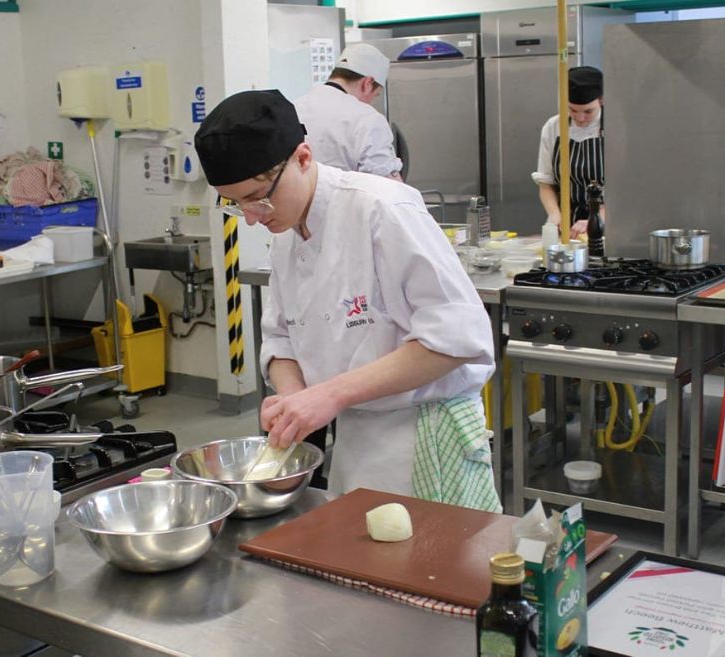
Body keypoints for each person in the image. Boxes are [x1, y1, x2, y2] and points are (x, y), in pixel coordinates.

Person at [194, 90, 498, 511]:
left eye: (258, 197)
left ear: (303, 157)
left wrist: (329, 395)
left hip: (427, 436)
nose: (251, 217)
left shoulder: (382, 210)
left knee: (435, 569)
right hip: (355, 440)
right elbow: (281, 340)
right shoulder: (284, 232)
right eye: (236, 204)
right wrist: (293, 398)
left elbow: (456, 340)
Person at [293, 43, 403, 180]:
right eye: (376, 95)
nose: (371, 101)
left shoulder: (294, 107)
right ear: (367, 83)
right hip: (349, 201)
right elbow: (388, 186)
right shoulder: (368, 119)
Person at [531, 66, 605, 239]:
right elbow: (546, 183)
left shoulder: (616, 126)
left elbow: (624, 189)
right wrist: (555, 215)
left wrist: (596, 219)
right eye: (572, 110)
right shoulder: (554, 127)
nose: (580, 118)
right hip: (567, 227)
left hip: (609, 224)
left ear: (601, 100)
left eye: (588, 111)